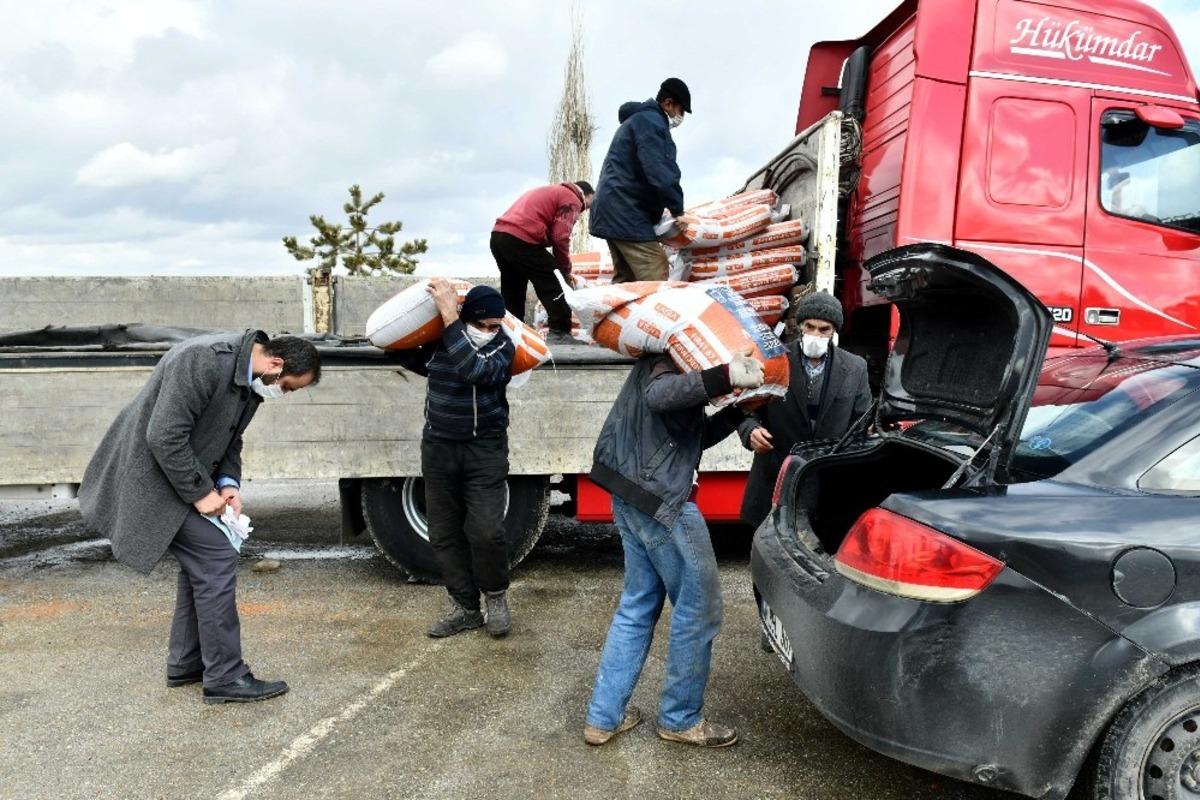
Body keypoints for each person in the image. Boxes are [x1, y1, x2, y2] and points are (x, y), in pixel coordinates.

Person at [78, 331, 321, 704]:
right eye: (287, 387)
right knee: (215, 555)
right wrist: (201, 494)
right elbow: (164, 436)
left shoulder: (249, 378)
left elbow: (230, 438)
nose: (283, 394)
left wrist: (227, 483)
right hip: (148, 478)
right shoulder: (202, 361)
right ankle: (224, 676)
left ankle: (187, 663)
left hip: (175, 476)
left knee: (203, 562)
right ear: (276, 364)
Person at [583, 349, 764, 748]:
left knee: (637, 605)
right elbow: (660, 395)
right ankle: (680, 718)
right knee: (698, 610)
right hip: (663, 502)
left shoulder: (672, 360)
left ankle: (603, 718)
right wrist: (726, 374)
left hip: (630, 492)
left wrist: (737, 411)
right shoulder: (670, 356)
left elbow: (688, 433)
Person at [399, 278, 517, 639]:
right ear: (469, 320)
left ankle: (495, 596)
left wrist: (450, 318)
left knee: (486, 531)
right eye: (482, 325)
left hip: (485, 451)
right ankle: (466, 608)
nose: (488, 331)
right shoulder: (441, 343)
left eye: (494, 325)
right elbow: (404, 353)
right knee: (443, 532)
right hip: (439, 448)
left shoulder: (503, 348)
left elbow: (474, 369)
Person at [738, 292, 873, 529]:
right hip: (776, 476)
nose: (815, 334)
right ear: (800, 326)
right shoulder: (774, 360)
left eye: (824, 329)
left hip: (826, 483)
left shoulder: (855, 367)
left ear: (834, 331)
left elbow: (861, 422)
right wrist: (751, 430)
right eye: (810, 327)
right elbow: (747, 410)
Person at [590, 77, 691, 284]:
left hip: (613, 207)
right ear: (668, 103)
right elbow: (661, 170)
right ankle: (654, 307)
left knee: (626, 278)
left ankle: (617, 307)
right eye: (680, 110)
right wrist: (678, 210)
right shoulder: (652, 124)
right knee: (655, 265)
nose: (680, 117)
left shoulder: (638, 121)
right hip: (625, 210)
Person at [493, 181, 595, 346]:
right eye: (590, 203)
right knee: (555, 282)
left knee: (513, 289)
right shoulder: (572, 198)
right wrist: (565, 270)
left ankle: (511, 336)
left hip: (500, 236)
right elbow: (560, 237)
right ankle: (559, 333)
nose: (585, 210)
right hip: (522, 239)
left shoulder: (551, 191)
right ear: (587, 194)